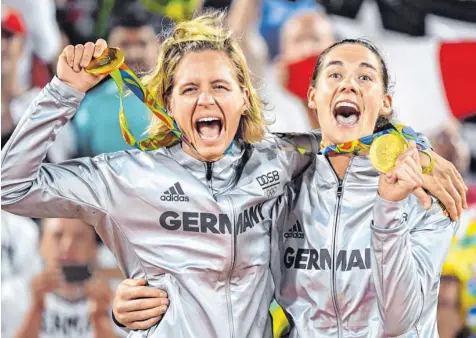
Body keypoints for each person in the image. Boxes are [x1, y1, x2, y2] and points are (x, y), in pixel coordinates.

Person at [1, 11, 466, 337]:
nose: (206, 100)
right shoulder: (124, 177)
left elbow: (343, 141)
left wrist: (418, 149)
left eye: (220, 86)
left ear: (243, 98)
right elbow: (10, 186)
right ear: (166, 104)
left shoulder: (279, 159)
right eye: (190, 89)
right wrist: (63, 92)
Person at [111, 40, 464, 337]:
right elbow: (222, 274)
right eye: (335, 74)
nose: (349, 84)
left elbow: (398, 321)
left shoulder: (428, 193)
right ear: (312, 96)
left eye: (365, 77)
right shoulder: (279, 184)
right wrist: (145, 297)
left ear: (385, 102)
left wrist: (389, 206)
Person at [2, 218, 117, 338]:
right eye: (58, 236)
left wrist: (100, 318)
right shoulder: (13, 294)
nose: (68, 247)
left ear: (94, 248)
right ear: (40, 244)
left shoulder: (113, 297)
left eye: (79, 237)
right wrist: (35, 310)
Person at [73, 3, 164, 157]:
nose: (133, 54)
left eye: (142, 44)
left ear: (159, 48)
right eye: (124, 44)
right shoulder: (91, 105)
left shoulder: (175, 99)